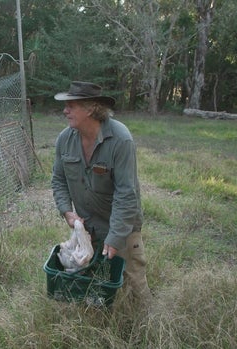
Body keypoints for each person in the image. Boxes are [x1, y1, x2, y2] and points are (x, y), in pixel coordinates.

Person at [51, 81, 152, 306]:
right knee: (96, 277)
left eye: (71, 105)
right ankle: (105, 317)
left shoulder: (120, 139)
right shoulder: (64, 140)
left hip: (123, 227)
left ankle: (147, 321)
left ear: (90, 108)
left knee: (132, 277)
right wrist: (67, 213)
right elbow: (58, 180)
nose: (65, 110)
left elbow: (127, 195)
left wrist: (115, 238)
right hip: (89, 226)